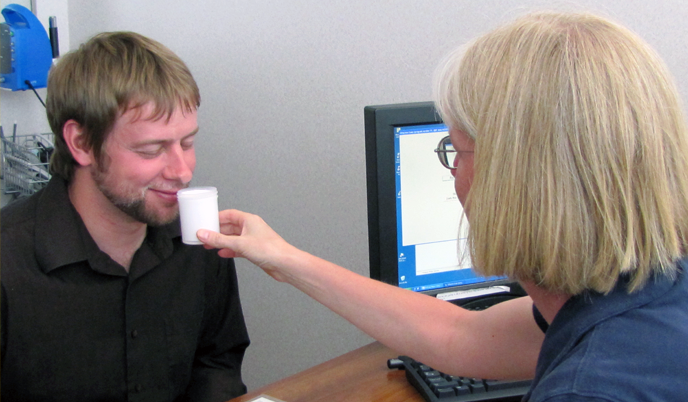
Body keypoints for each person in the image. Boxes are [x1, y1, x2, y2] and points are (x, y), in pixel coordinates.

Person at [197, 11, 688, 401]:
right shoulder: (641, 289)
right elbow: (463, 338)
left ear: (514, 182)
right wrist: (287, 259)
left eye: (455, 150)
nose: (453, 173)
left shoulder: (593, 389)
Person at [1, 32, 250, 401]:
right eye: (152, 150)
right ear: (82, 143)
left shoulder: (199, 239)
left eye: (187, 143)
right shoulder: (9, 261)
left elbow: (216, 363)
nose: (182, 172)